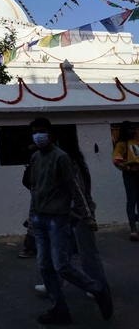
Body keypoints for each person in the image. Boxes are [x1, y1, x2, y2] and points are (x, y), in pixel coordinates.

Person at [29, 118, 113, 325]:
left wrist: (86, 216)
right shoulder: (35, 158)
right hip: (40, 217)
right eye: (35, 132)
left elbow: (75, 189)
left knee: (62, 265)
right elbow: (34, 189)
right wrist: (32, 218)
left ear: (50, 133)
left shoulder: (62, 158)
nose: (38, 136)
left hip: (58, 218)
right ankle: (59, 308)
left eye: (41, 131)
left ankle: (97, 287)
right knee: (45, 265)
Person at [112, 120, 139, 241]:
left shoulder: (136, 142)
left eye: (134, 129)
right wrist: (128, 167)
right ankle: (133, 229)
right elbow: (116, 160)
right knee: (132, 200)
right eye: (130, 129)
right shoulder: (121, 144)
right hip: (130, 174)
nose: (133, 131)